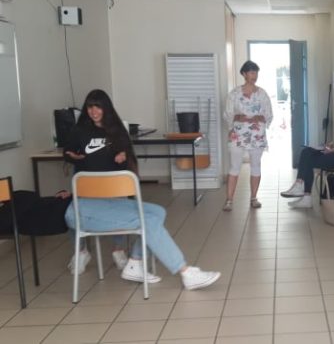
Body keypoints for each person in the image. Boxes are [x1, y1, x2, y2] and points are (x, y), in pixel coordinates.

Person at [63, 89, 220, 290]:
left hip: (113, 198)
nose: (93, 111)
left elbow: (128, 161)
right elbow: (68, 153)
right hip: (85, 205)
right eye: (90, 107)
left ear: (106, 108)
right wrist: (72, 156)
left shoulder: (117, 131)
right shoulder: (79, 131)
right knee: (147, 220)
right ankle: (185, 272)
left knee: (158, 212)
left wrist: (122, 158)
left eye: (98, 107)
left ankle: (135, 263)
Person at [280, 89, 334, 208]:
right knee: (307, 151)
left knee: (309, 161)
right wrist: (328, 145)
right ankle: (300, 185)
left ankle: (306, 196)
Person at [222, 60, 273, 211]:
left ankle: (254, 198)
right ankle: (229, 200)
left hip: (256, 134)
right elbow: (228, 114)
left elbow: (269, 114)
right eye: (251, 72)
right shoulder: (234, 94)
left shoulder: (262, 93)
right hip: (238, 134)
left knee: (256, 165)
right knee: (234, 167)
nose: (254, 75)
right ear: (244, 74)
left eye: (256, 72)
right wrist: (237, 118)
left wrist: (260, 118)